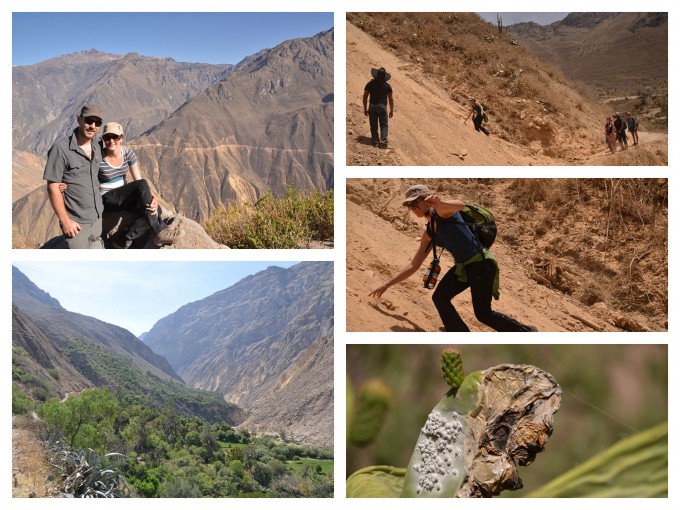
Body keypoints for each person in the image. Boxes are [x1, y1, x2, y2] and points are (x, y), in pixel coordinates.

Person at [369, 184, 537, 332]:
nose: (413, 208)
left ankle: (527, 333)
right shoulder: (429, 233)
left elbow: (460, 205)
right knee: (440, 298)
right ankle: (459, 332)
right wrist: (387, 284)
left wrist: (440, 203)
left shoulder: (443, 212)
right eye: (410, 205)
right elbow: (414, 264)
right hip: (463, 268)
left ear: (426, 199)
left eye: (416, 202)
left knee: (483, 314)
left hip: (481, 264)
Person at [97, 122, 183, 248]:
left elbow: (138, 179)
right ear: (103, 139)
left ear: (121, 137)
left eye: (114, 137)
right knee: (142, 186)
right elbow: (85, 176)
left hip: (123, 196)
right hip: (107, 198)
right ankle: (160, 231)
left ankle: (122, 239)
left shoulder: (127, 153)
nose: (111, 141)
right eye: (107, 138)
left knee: (154, 210)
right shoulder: (99, 158)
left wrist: (153, 199)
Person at [43, 104, 105, 248]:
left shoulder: (97, 146)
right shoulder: (61, 149)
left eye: (97, 123)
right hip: (76, 223)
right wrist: (65, 221)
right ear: (79, 120)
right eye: (89, 121)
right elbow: (52, 186)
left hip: (97, 219)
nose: (92, 126)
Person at [363, 67, 394, 148]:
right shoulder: (387, 86)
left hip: (372, 106)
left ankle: (375, 141)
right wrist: (391, 110)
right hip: (382, 107)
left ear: (376, 75)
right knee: (384, 125)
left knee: (373, 125)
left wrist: (365, 109)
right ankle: (383, 142)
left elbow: (365, 97)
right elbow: (390, 99)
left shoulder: (370, 84)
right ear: (384, 77)